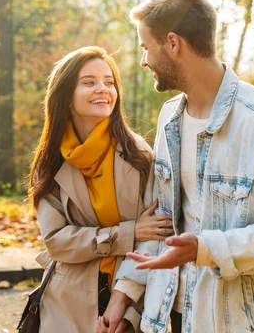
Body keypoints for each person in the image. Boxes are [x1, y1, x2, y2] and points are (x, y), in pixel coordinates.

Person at [100, 0, 254, 333]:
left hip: (235, 323)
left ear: (173, 43)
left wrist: (207, 249)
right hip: (168, 315)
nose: (143, 61)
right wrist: (124, 294)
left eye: (146, 48)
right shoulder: (169, 118)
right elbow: (161, 219)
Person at [28, 46, 174, 332]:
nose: (103, 89)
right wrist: (126, 233)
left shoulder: (138, 154)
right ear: (65, 95)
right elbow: (56, 241)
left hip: (129, 301)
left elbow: (156, 235)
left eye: (109, 82)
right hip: (64, 307)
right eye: (89, 82)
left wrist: (131, 315)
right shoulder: (49, 161)